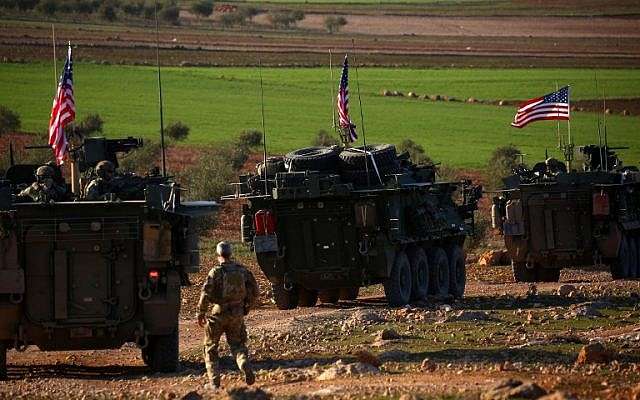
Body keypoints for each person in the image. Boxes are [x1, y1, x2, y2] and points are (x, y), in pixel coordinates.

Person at [197, 241, 259, 390]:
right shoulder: (242, 270)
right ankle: (243, 363)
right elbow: (255, 291)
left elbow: (205, 293)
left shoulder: (216, 272)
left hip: (218, 314)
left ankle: (214, 381)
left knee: (210, 347)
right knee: (237, 345)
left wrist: (201, 312)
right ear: (230, 254)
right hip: (237, 314)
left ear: (218, 255)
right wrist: (246, 307)